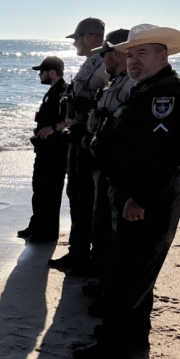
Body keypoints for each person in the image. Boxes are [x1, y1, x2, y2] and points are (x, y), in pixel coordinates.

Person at [74, 24, 180, 359]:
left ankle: (113, 347)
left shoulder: (167, 94)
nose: (133, 61)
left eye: (142, 53)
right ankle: (131, 337)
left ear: (163, 55)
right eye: (130, 54)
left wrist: (140, 198)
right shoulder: (148, 89)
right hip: (132, 192)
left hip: (147, 197)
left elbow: (168, 154)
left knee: (128, 273)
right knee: (133, 271)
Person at [48, 18, 110, 272]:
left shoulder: (104, 63)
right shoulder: (91, 62)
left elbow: (105, 102)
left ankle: (85, 255)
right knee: (77, 196)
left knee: (85, 199)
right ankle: (79, 250)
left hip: (87, 139)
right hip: (78, 136)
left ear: (87, 36)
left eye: (75, 38)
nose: (73, 43)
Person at [83, 28, 132, 301]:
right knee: (100, 225)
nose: (103, 60)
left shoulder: (131, 85)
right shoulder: (115, 83)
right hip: (102, 164)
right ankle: (103, 281)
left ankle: (111, 291)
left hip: (115, 168)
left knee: (114, 233)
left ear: (117, 52)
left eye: (105, 54)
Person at [17, 57, 69, 243]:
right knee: (39, 188)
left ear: (52, 73)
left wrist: (53, 128)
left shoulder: (64, 91)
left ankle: (48, 232)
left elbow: (70, 119)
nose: (39, 75)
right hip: (44, 150)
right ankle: (37, 224)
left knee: (50, 191)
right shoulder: (52, 91)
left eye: (42, 72)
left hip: (55, 151)